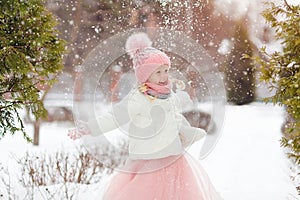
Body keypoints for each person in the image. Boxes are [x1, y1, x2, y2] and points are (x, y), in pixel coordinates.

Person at [68, 32, 223, 200]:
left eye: (166, 70)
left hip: (174, 158)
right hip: (149, 161)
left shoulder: (167, 93)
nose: (164, 76)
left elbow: (174, 106)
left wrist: (183, 98)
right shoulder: (138, 98)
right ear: (144, 75)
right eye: (158, 72)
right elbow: (116, 116)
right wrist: (90, 127)